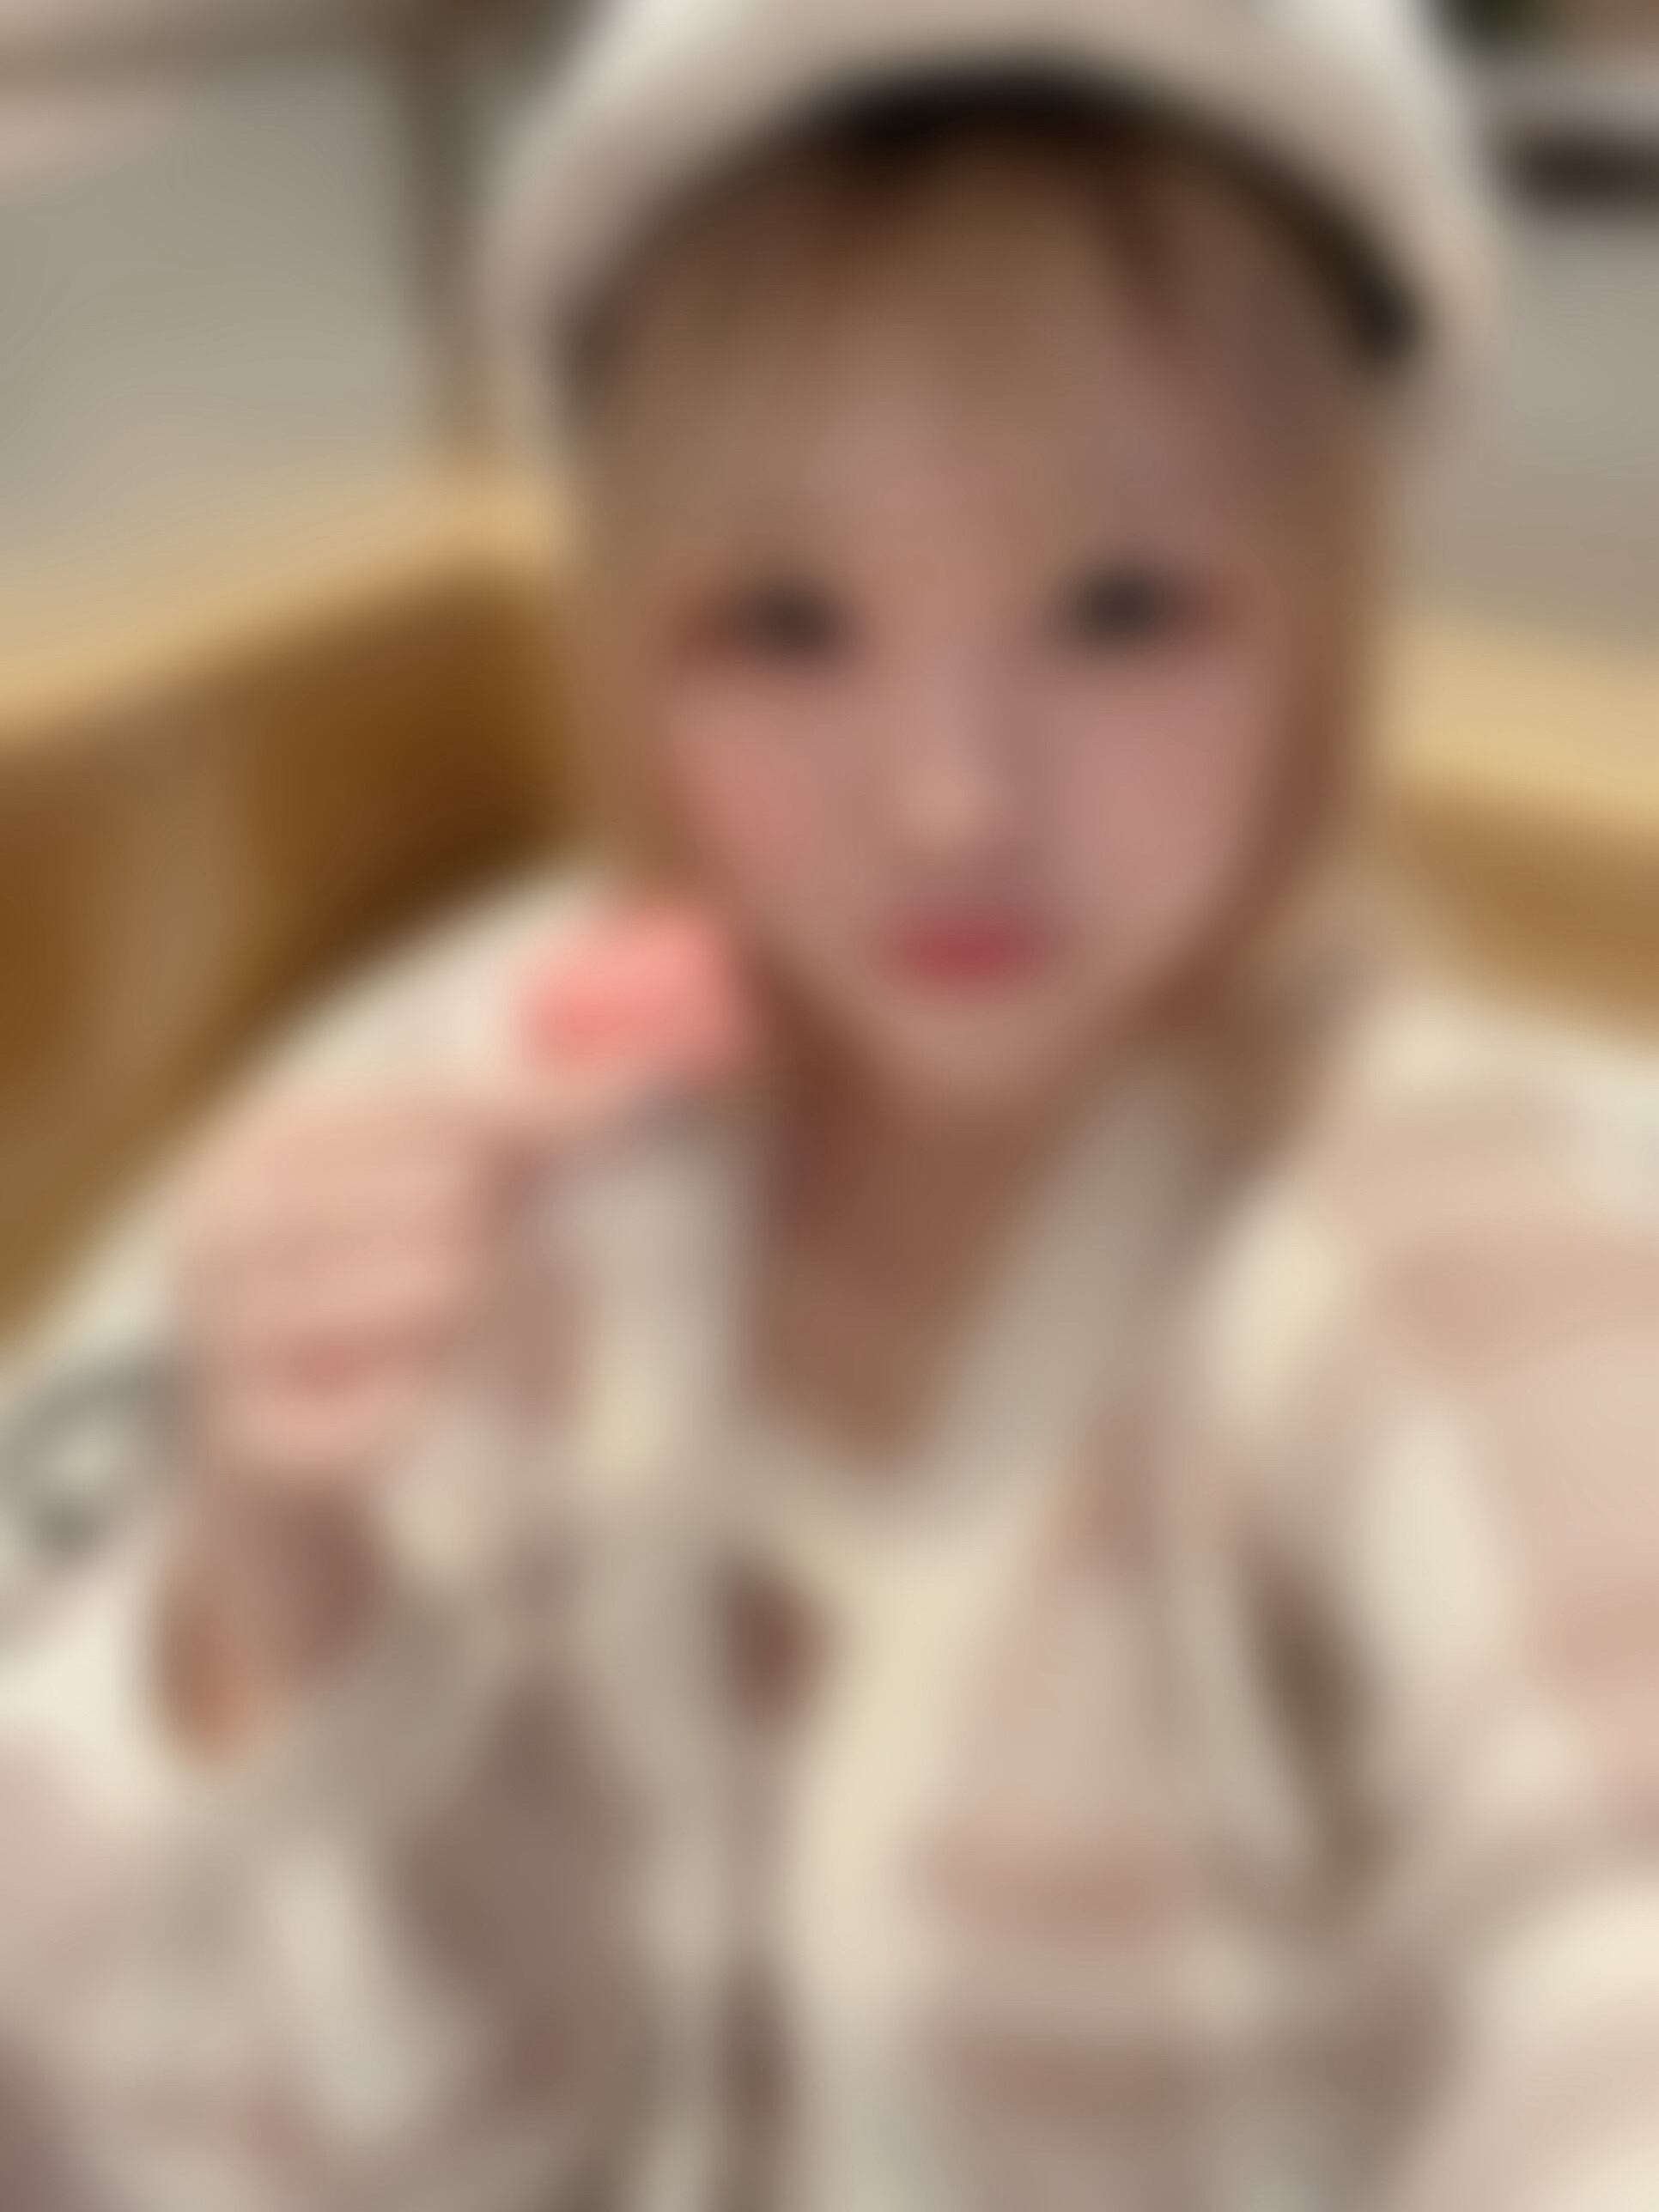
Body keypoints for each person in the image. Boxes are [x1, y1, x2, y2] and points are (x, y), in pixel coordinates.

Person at [3, 3, 1659, 2208]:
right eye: (785, 621)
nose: (951, 801)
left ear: (1323, 627)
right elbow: (427, 2136)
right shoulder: (540, 1135)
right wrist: (279, 1579)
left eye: (1122, 606)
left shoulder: (1433, 1239)